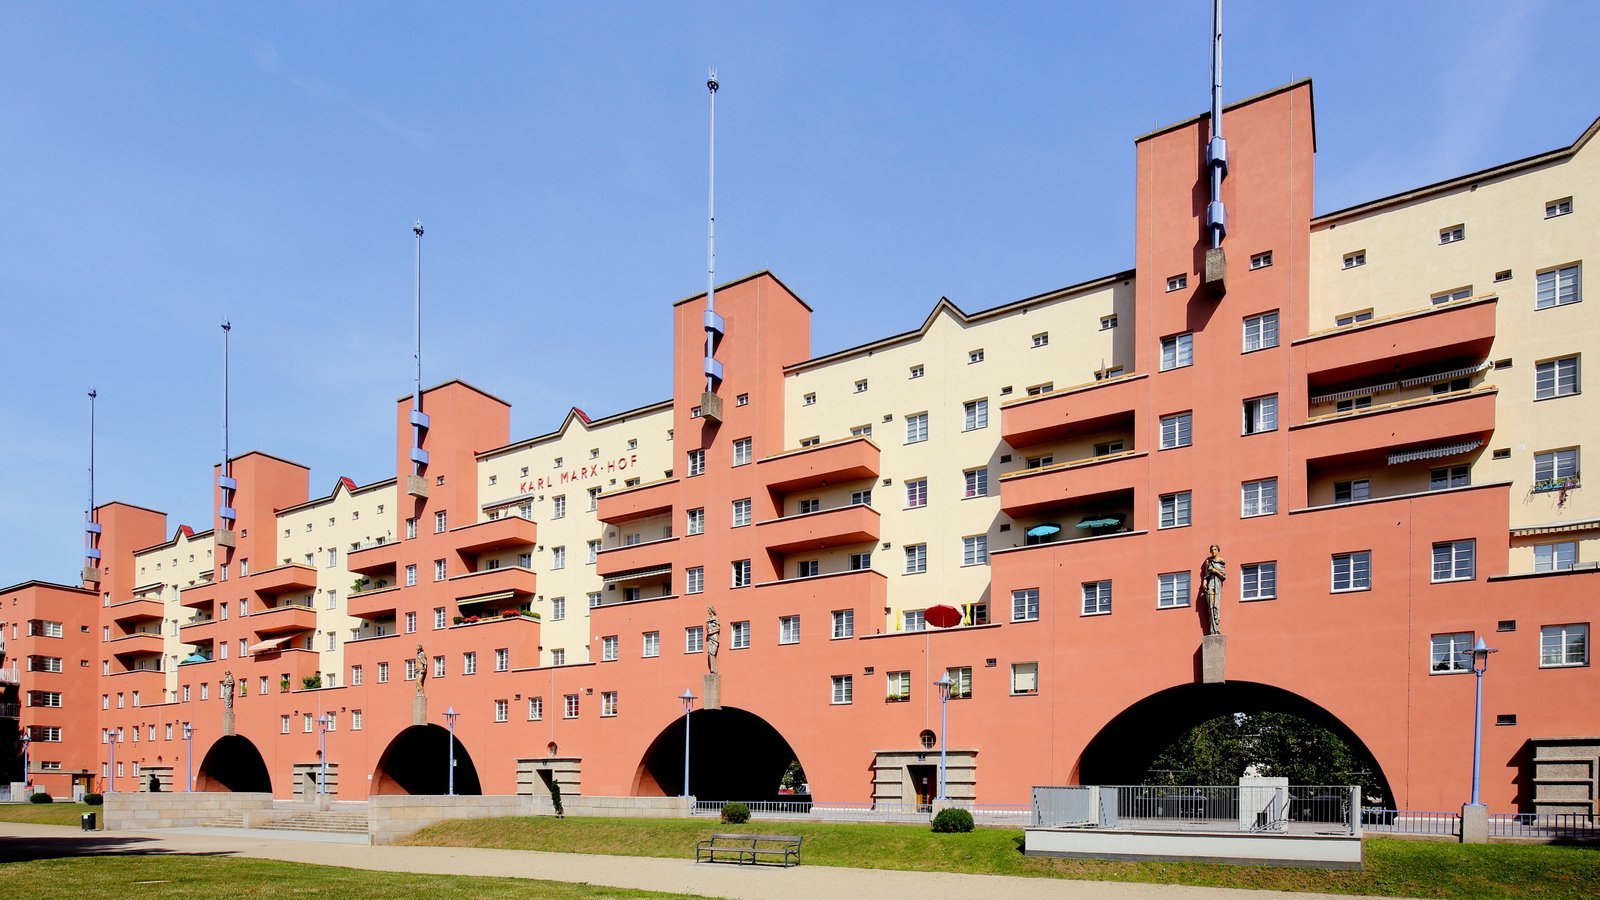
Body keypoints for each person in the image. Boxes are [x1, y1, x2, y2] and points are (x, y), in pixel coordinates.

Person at [1201, 545, 1227, 635]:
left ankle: (1217, 628)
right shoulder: (1208, 561)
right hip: (1210, 585)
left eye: (1215, 549)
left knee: (1216, 607)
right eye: (1211, 550)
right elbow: (1206, 574)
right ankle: (1212, 630)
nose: (1213, 551)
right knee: (1210, 607)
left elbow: (1223, 577)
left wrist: (1216, 571)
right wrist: (1204, 581)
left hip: (1217, 585)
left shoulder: (1221, 561)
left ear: (1218, 550)